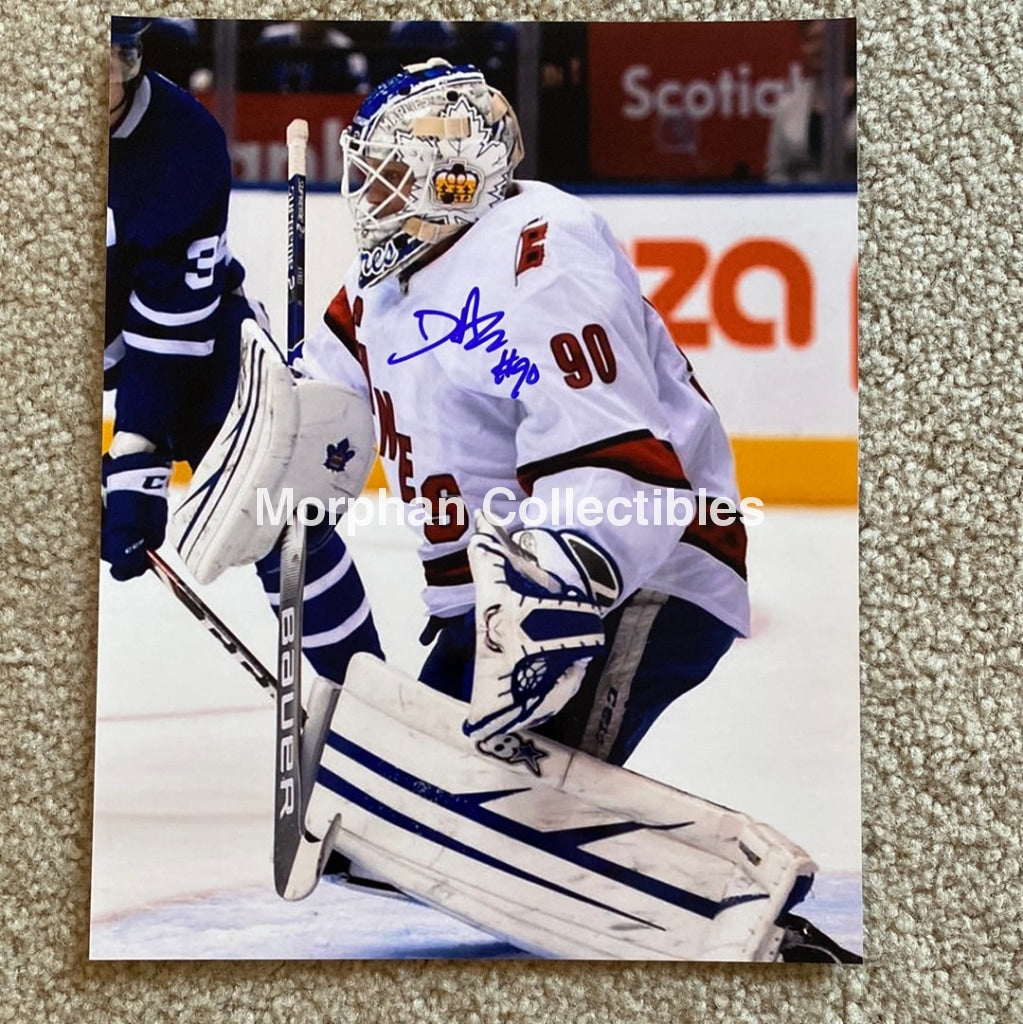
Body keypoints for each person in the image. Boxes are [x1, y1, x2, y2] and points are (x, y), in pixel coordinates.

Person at [294, 58, 750, 766]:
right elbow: (316, 412)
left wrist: (553, 591)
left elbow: (610, 452)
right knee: (392, 822)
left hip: (628, 579)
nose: (369, 192)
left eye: (390, 172)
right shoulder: (380, 281)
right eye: (371, 171)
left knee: (481, 810)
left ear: (453, 176)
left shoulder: (539, 249)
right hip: (490, 605)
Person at [102, 17, 380, 684]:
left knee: (282, 502)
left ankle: (364, 699)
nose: (101, 74)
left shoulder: (183, 142)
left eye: (113, 53)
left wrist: (137, 452)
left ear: (134, 55)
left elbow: (171, 332)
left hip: (187, 346)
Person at [765, 19, 857, 184]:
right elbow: (776, 173)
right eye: (810, 40)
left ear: (844, 42)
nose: (817, 47)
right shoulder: (788, 104)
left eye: (823, 39)